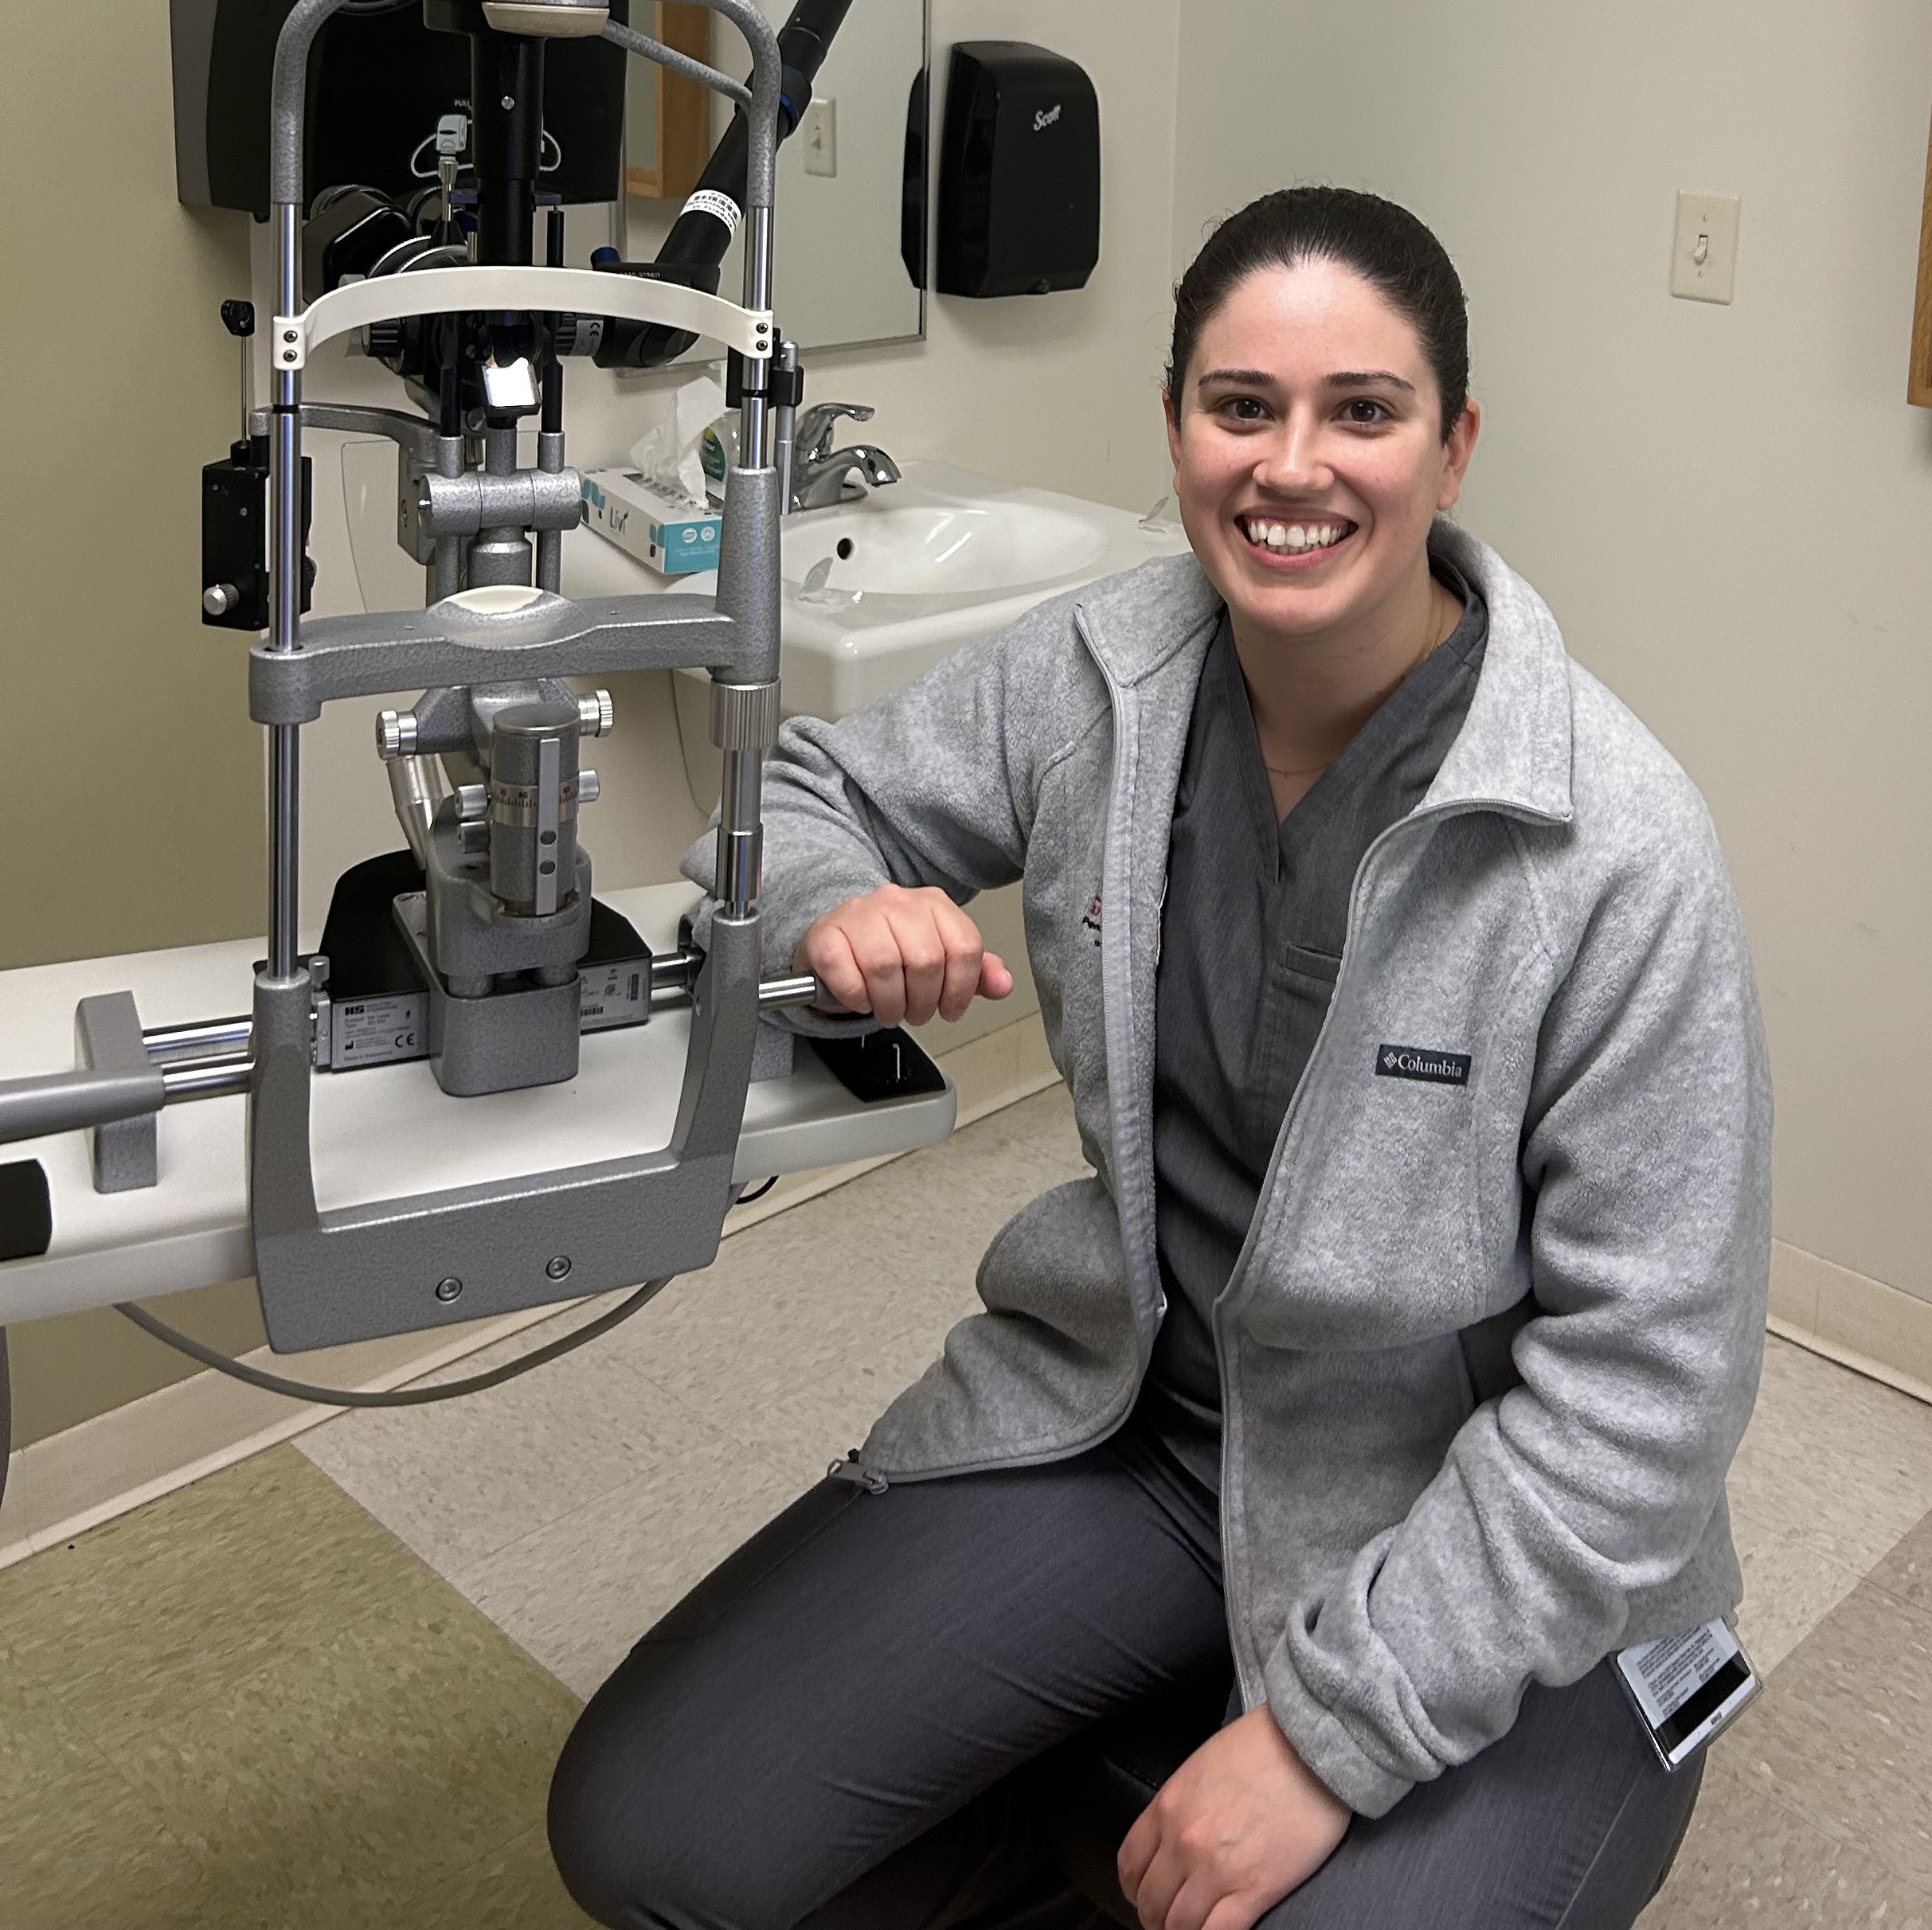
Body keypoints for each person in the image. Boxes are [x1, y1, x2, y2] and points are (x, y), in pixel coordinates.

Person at [550, 186, 1772, 1930]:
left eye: (1363, 410)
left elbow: (1650, 1402)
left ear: (1456, 446)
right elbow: (811, 797)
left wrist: (1324, 1743)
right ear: (1181, 426)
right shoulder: (1099, 677)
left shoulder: (1612, 843)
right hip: (1145, 1435)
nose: (1295, 466)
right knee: (655, 1832)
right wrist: (834, 908)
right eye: (1241, 405)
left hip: (1507, 1540)